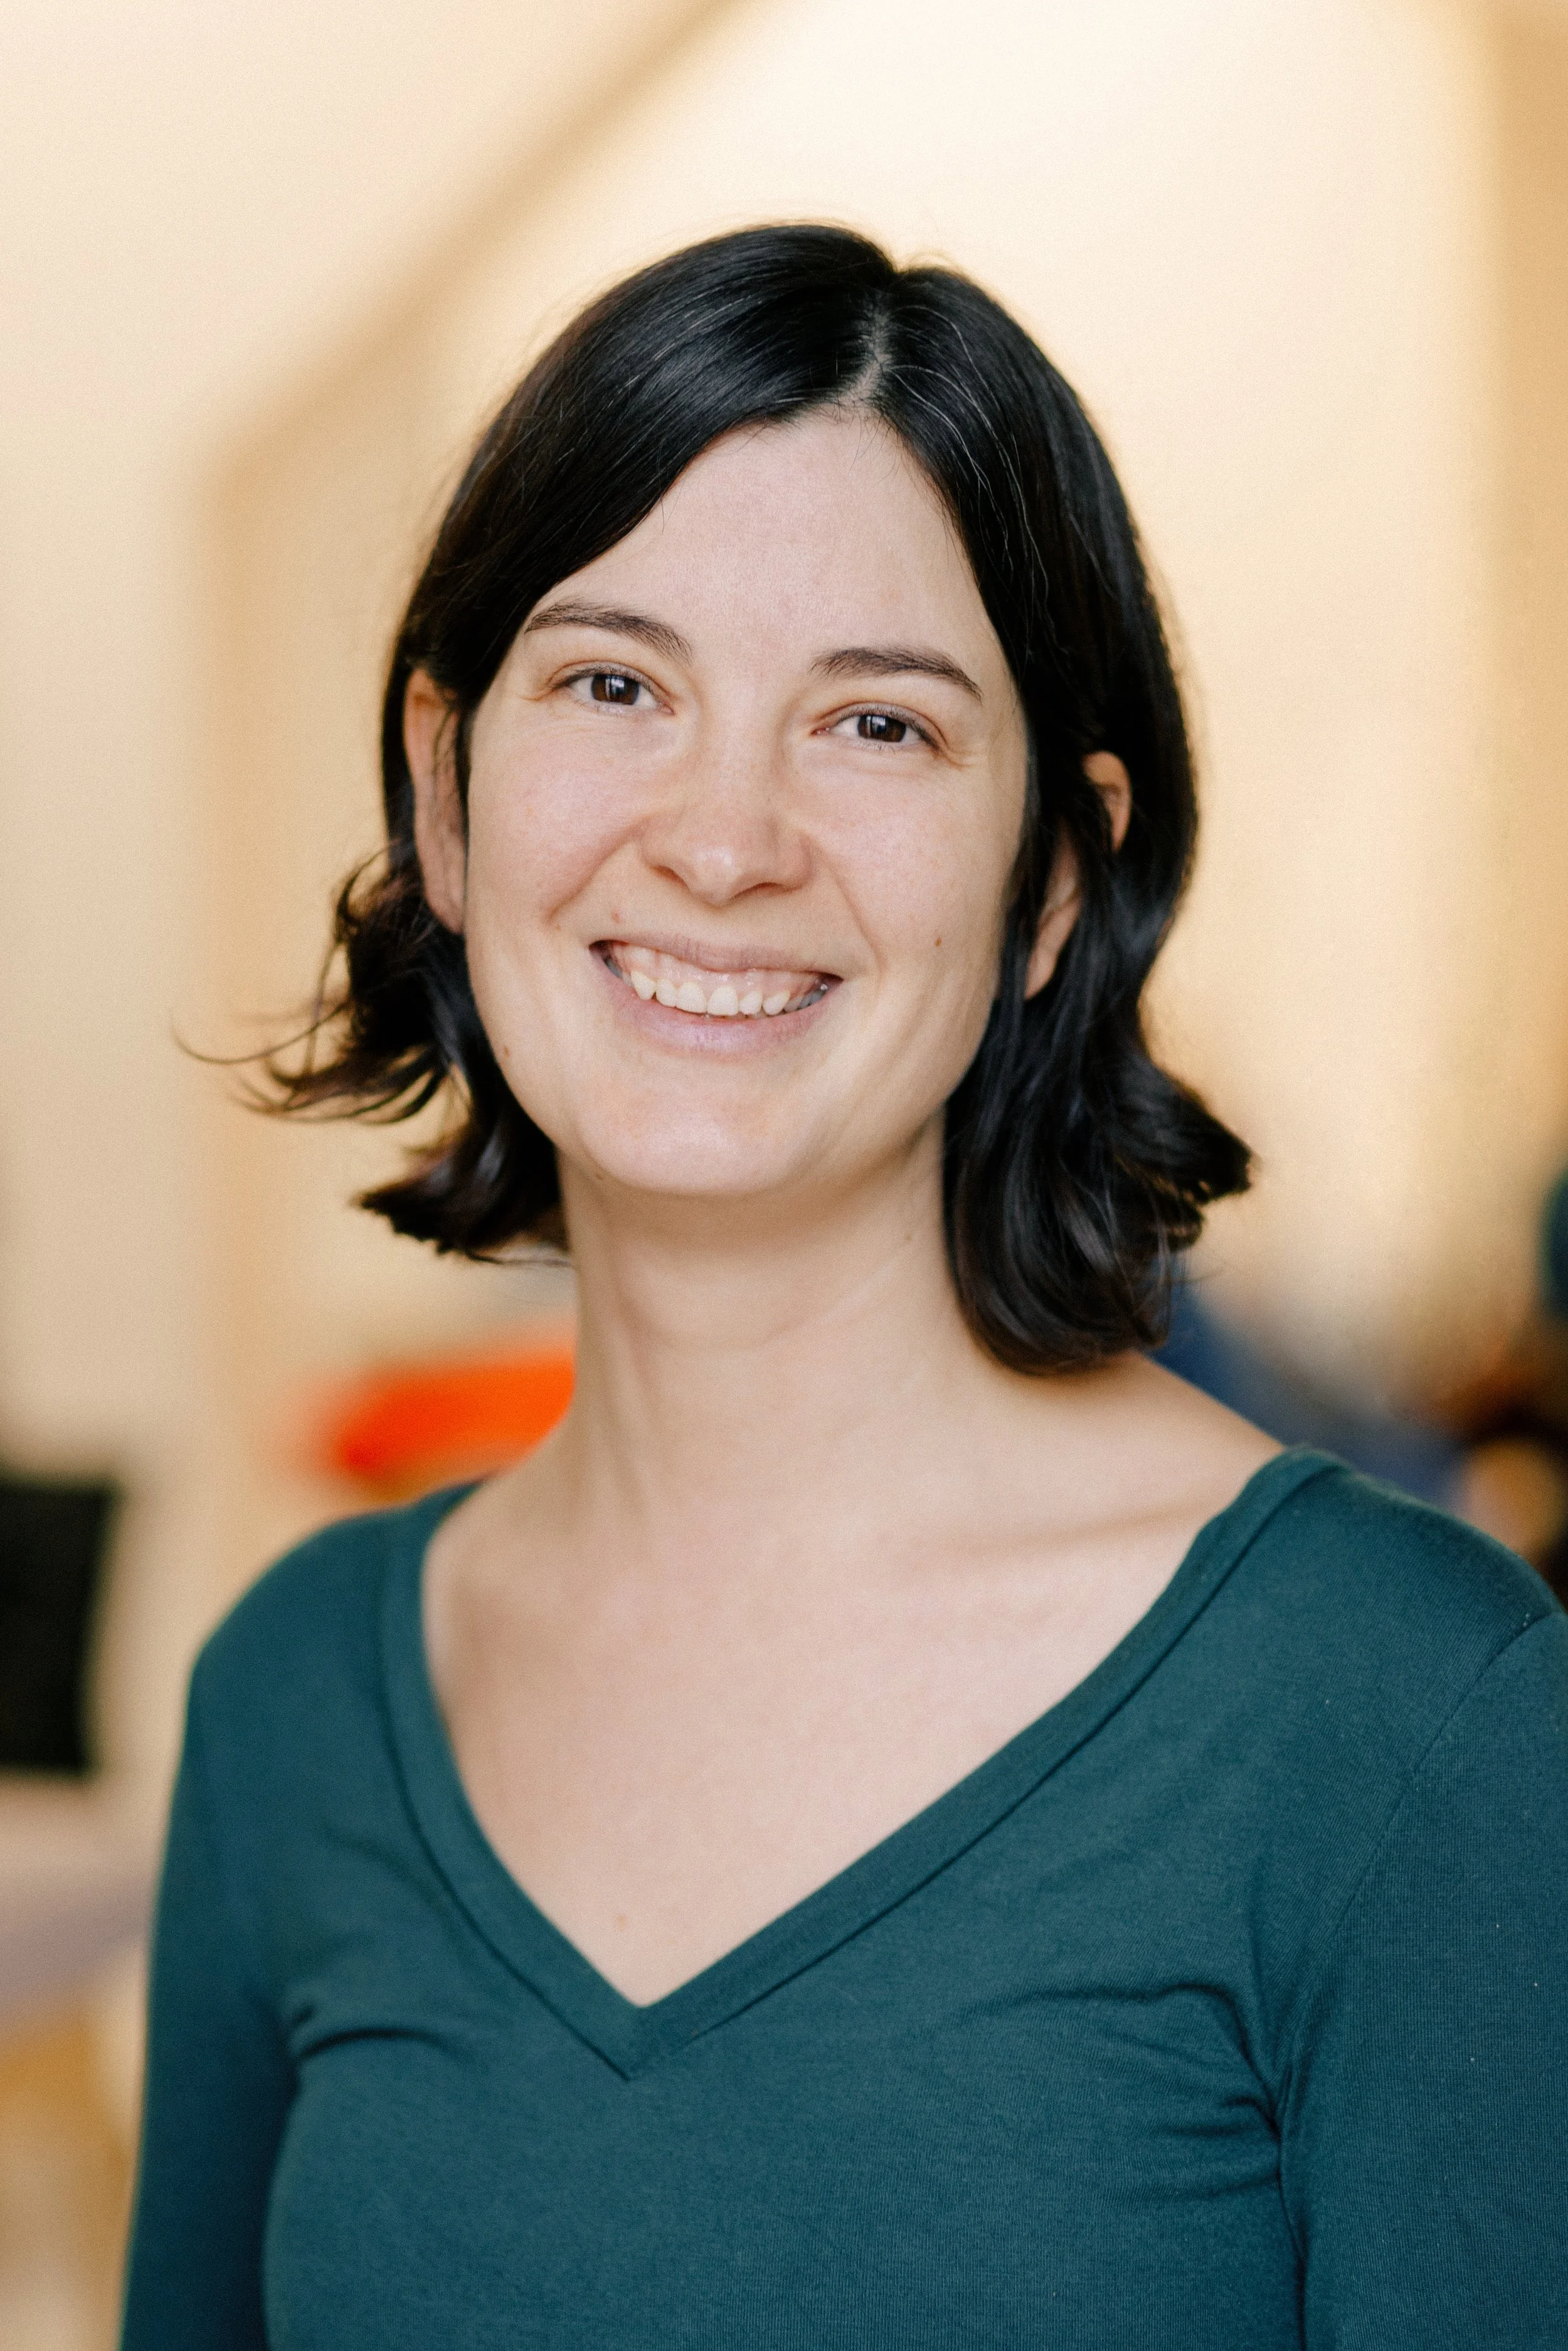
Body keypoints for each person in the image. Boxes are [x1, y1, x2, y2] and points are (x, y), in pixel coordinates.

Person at [121, 226, 1568, 2349]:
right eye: (614, 684)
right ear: (442, 786)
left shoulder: (1401, 1705)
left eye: (877, 724)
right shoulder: (297, 1698)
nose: (723, 841)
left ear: (1056, 872)